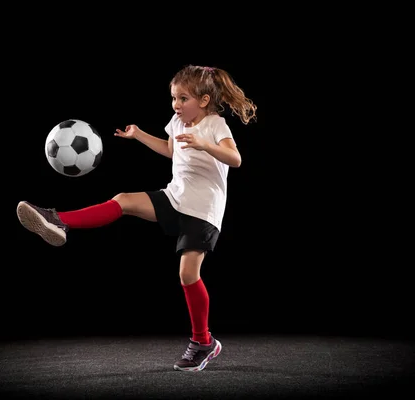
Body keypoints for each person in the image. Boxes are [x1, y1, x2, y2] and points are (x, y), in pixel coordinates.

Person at [16, 64, 257, 372]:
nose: (176, 105)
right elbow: (172, 151)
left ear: (205, 101)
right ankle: (57, 219)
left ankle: (203, 342)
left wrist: (204, 144)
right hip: (175, 197)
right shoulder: (177, 122)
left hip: (203, 210)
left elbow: (235, 159)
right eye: (173, 98)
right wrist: (140, 135)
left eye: (183, 99)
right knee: (123, 200)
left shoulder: (214, 124)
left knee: (187, 274)